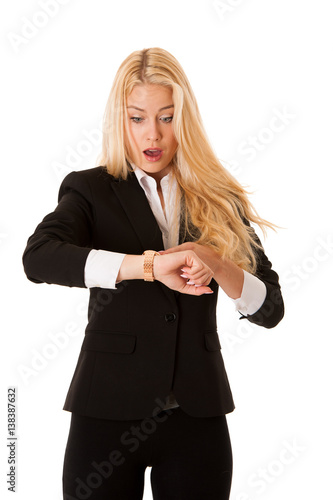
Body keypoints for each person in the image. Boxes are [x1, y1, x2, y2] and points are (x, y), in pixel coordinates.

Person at [22, 47, 284, 500]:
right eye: (137, 118)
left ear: (184, 120)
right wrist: (147, 266)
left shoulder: (220, 198)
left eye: (166, 117)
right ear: (118, 121)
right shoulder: (91, 189)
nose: (153, 135)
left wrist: (217, 261)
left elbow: (270, 309)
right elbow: (39, 258)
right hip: (106, 410)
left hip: (196, 417)